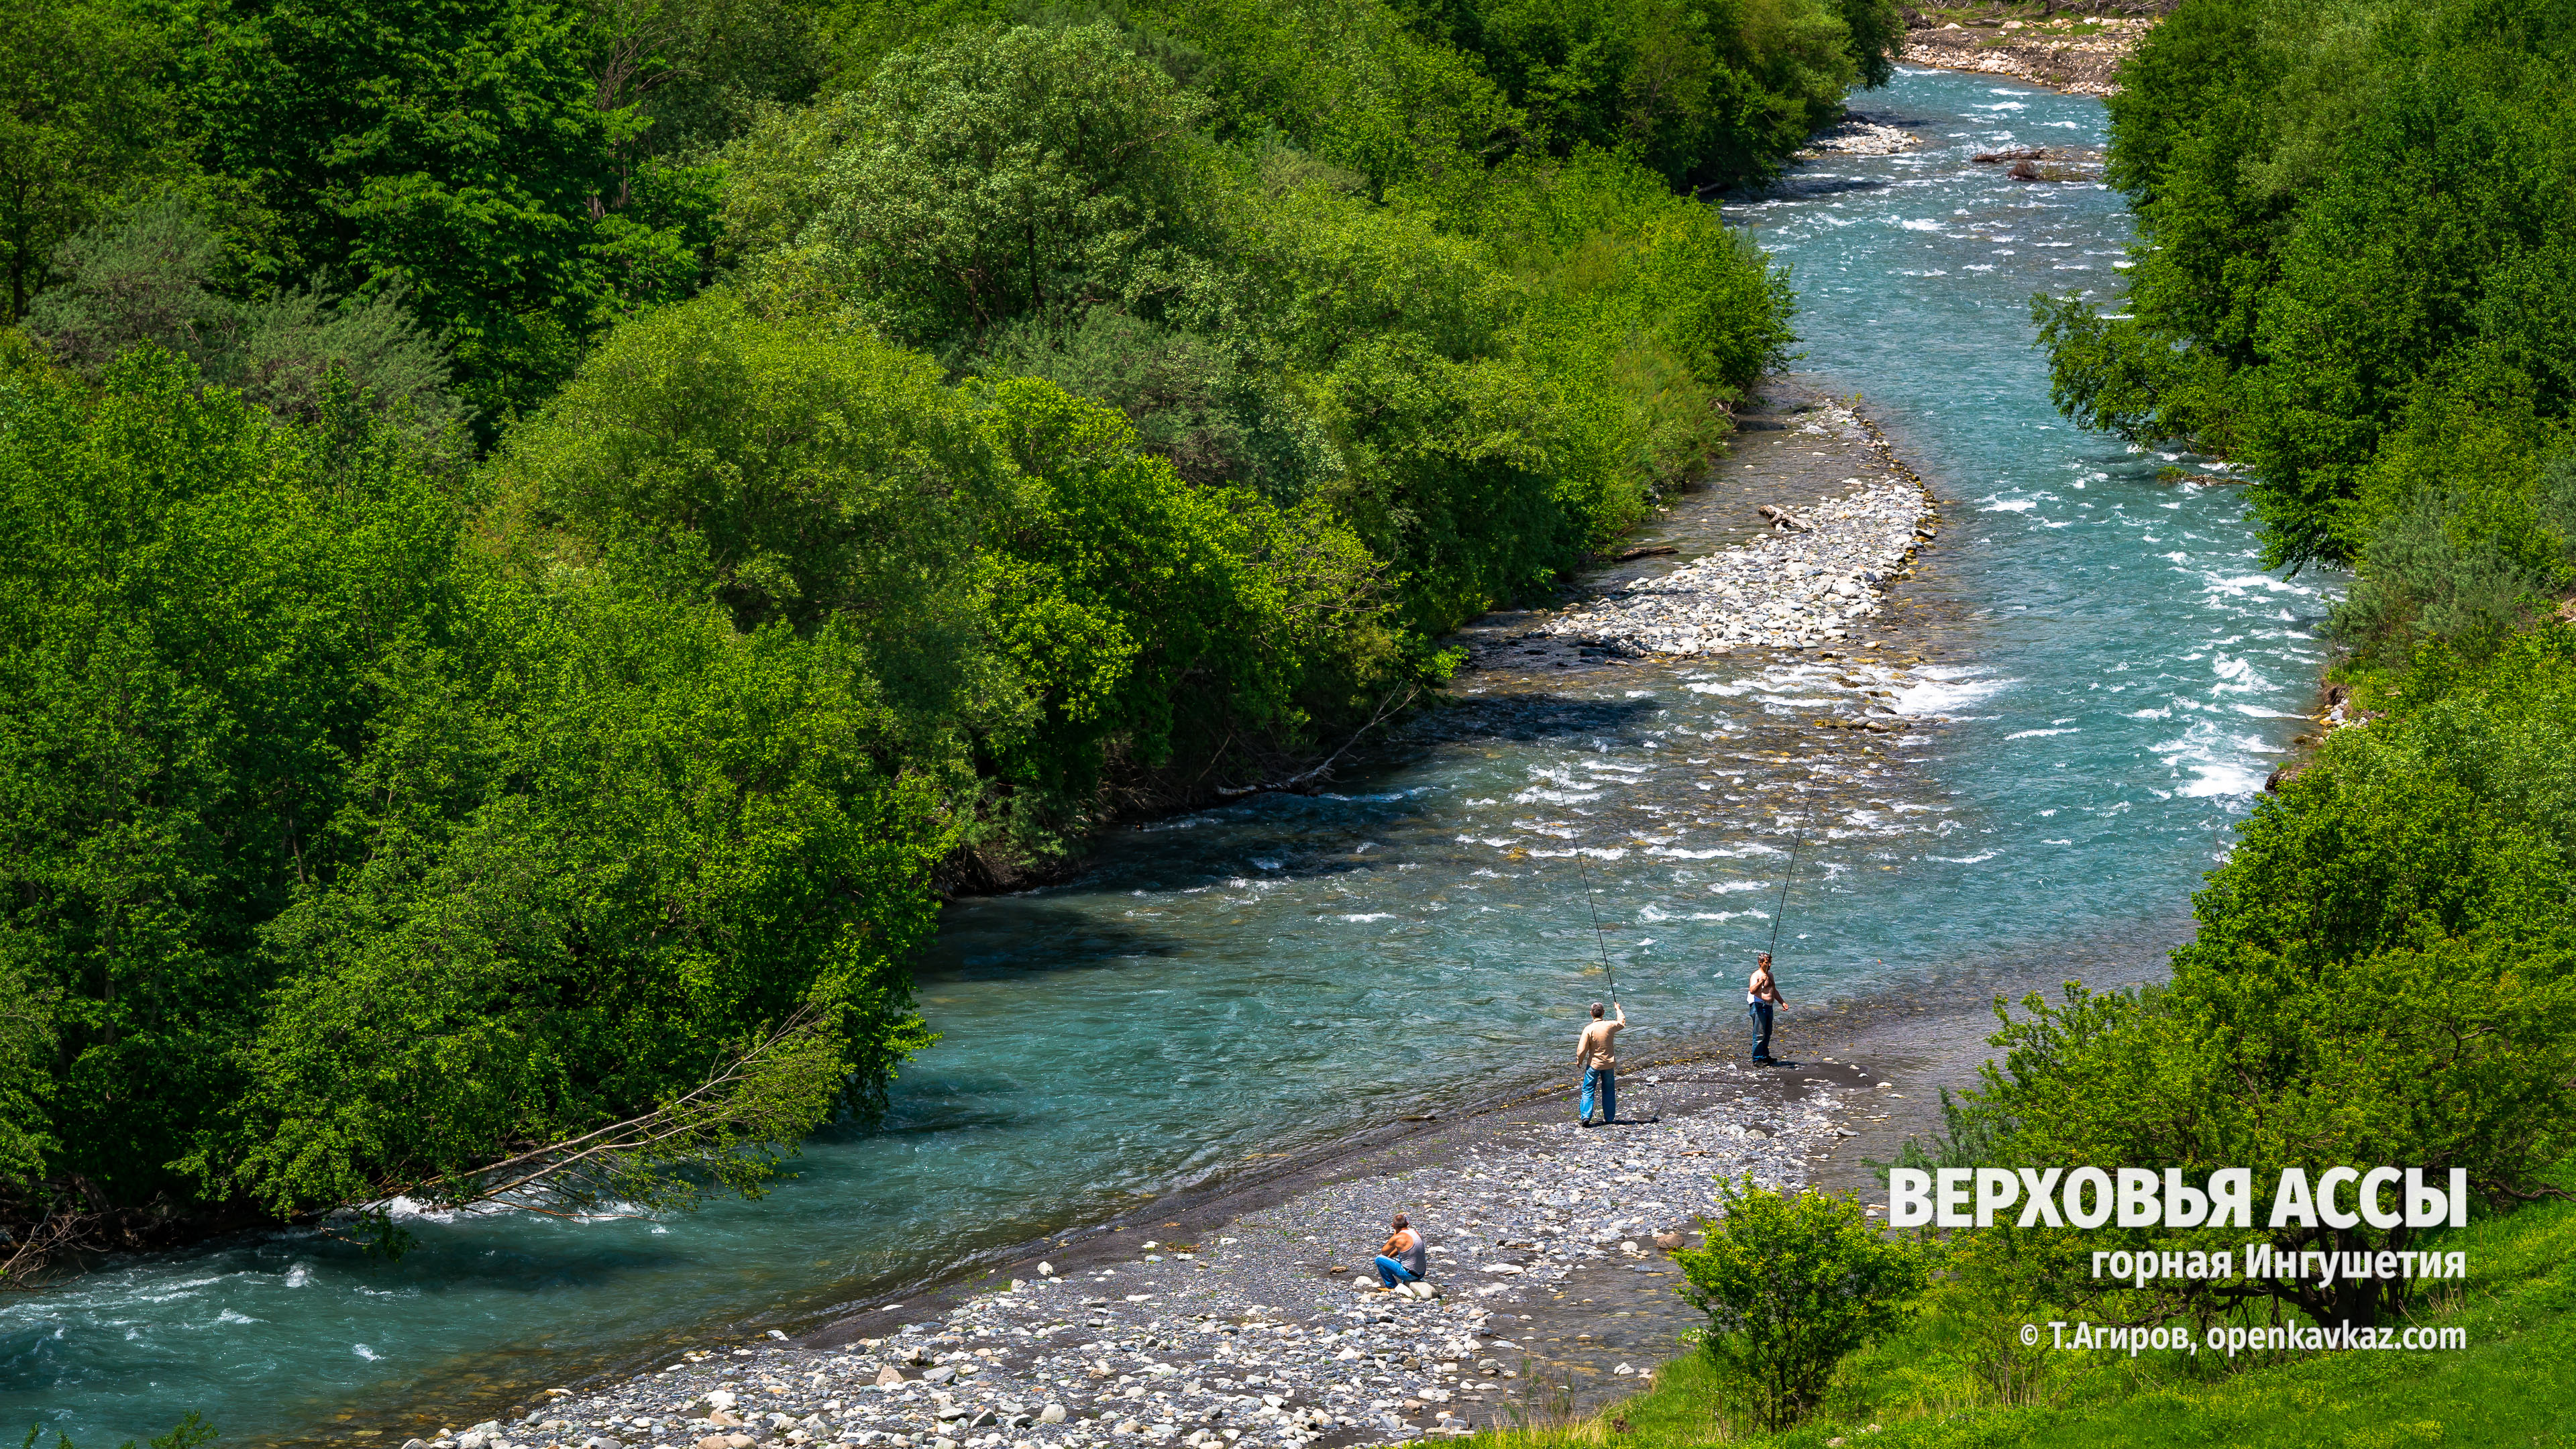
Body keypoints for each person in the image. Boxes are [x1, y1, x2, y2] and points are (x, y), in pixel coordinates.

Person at [1576, 1001, 1625, 1126]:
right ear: (1603, 1013)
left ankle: (1586, 1116)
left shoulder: (1589, 1029)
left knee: (1588, 1090)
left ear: (1591, 1014)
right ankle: (1609, 1118)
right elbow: (1622, 1023)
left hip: (1594, 1065)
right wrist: (1618, 1009)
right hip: (1609, 1064)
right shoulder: (1610, 1025)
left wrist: (1579, 1060)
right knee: (1609, 1090)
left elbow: (1582, 1049)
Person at [1374, 1213, 1428, 1289]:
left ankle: (1391, 1286)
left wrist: (1395, 1234)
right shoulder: (1415, 1233)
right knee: (1406, 1256)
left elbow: (1384, 1252)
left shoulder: (1397, 1238)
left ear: (1393, 1226)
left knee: (1379, 1259)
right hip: (1421, 1273)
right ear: (1407, 1224)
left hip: (1409, 1275)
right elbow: (1403, 1249)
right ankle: (1404, 1283)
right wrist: (1390, 1257)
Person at [1748, 952, 1784, 1063]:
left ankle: (1764, 1056)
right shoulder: (1756, 975)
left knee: (1768, 1033)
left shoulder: (1770, 974)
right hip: (1759, 1006)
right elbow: (1752, 990)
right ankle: (1757, 1059)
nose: (1769, 965)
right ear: (1760, 963)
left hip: (1769, 1006)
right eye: (1767, 963)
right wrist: (1761, 981)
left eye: (1770, 963)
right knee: (1759, 1034)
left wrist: (1782, 1002)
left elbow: (1774, 990)